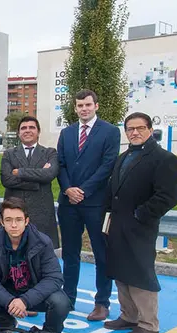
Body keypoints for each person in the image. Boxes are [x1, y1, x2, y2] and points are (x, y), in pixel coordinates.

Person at [103, 112, 177, 333]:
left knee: (140, 272)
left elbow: (168, 196)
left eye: (139, 128)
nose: (134, 132)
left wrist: (141, 214)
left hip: (140, 227)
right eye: (130, 129)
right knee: (120, 271)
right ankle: (129, 316)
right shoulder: (124, 156)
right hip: (117, 224)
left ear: (149, 130)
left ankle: (148, 324)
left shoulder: (163, 158)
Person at [0, 197, 70, 333]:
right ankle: (7, 324)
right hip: (8, 294)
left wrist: (25, 300)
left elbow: (54, 278)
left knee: (61, 302)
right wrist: (9, 301)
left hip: (34, 292)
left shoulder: (42, 242)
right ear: (2, 222)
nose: (14, 225)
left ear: (26, 221)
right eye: (9, 220)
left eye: (18, 219)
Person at [56, 89, 120, 320]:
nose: (84, 109)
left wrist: (83, 190)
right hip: (68, 203)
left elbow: (108, 165)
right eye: (80, 105)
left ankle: (102, 303)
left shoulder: (110, 132)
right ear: (75, 108)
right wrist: (67, 189)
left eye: (88, 105)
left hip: (96, 203)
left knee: (101, 253)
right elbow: (60, 164)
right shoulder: (67, 133)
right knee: (70, 254)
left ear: (96, 106)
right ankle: (68, 299)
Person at [0, 115, 60, 248]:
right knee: (13, 258)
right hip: (14, 214)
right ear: (18, 133)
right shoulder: (9, 154)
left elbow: (49, 174)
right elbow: (7, 180)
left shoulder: (50, 153)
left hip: (42, 215)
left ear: (38, 132)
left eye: (32, 127)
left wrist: (20, 172)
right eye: (23, 128)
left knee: (41, 259)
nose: (27, 130)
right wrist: (37, 181)